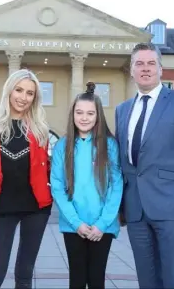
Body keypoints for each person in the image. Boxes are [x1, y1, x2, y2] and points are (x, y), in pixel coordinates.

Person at [115, 42, 174, 289]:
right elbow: (122, 161)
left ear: (160, 69)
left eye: (151, 63)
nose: (145, 69)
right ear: (131, 70)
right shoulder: (122, 110)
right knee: (147, 281)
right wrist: (119, 205)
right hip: (135, 210)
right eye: (139, 64)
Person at [0, 69, 52, 289]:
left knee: (25, 275)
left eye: (30, 93)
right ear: (9, 90)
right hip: (2, 206)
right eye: (19, 90)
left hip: (36, 208)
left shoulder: (39, 129)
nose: (23, 97)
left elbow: (44, 168)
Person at [50, 82, 123, 289]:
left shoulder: (109, 145)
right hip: (74, 225)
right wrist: (76, 222)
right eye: (79, 112)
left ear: (98, 116)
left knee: (97, 278)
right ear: (72, 114)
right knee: (77, 279)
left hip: (103, 225)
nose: (84, 118)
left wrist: (102, 224)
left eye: (90, 113)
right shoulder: (63, 146)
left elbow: (115, 186)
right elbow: (57, 186)